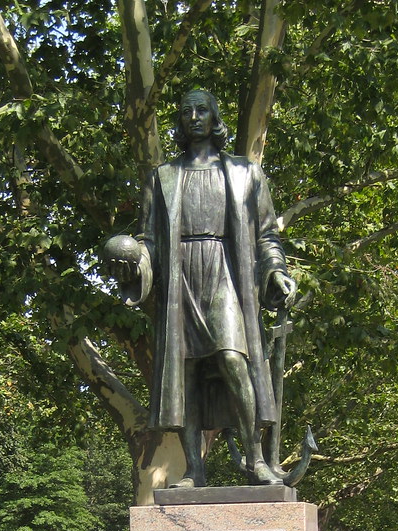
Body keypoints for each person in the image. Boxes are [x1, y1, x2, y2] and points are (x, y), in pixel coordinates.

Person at [106, 88, 296, 486]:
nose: (193, 117)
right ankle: (194, 468)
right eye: (186, 111)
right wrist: (133, 266)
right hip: (181, 279)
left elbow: (266, 236)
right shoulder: (162, 178)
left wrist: (275, 269)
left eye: (202, 110)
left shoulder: (246, 173)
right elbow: (150, 241)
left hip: (227, 271)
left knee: (232, 358)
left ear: (214, 117)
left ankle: (256, 458)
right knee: (186, 372)